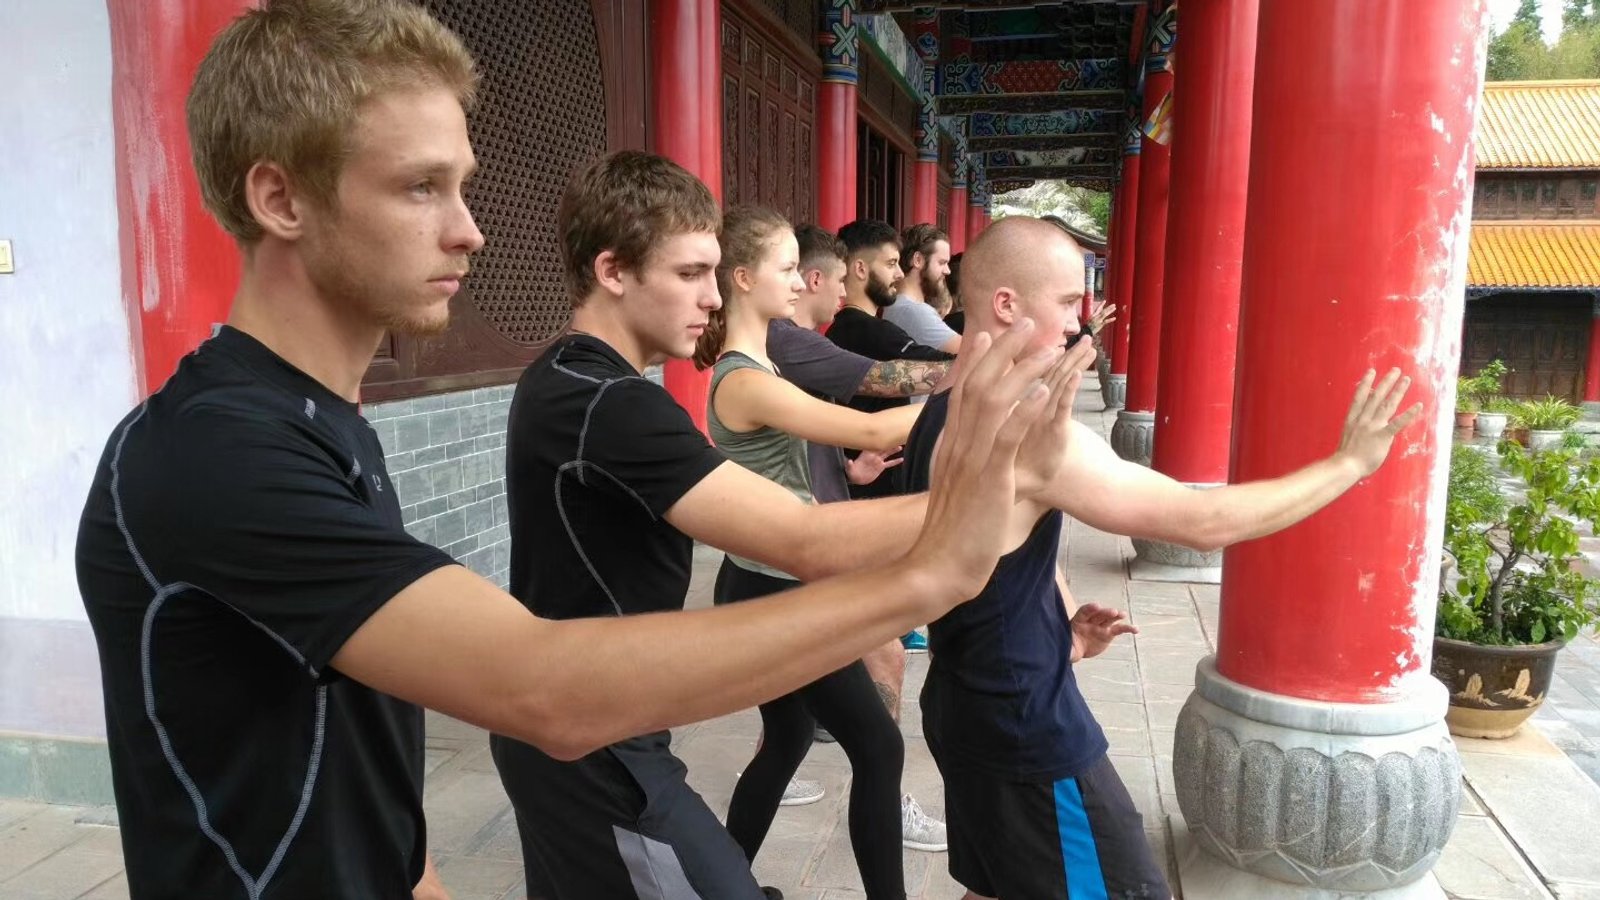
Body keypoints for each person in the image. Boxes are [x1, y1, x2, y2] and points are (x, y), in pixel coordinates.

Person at [70, 2, 1081, 895]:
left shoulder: (322, 423)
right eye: (422, 188)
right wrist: (936, 569)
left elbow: (346, 737)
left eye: (464, 187)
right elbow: (540, 687)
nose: (469, 231)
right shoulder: (216, 455)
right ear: (280, 200)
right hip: (593, 754)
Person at [490, 152, 1087, 900]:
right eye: (689, 274)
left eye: (714, 273)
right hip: (592, 742)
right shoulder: (608, 401)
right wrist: (1014, 492)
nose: (711, 297)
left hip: (588, 728)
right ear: (613, 272)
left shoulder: (570, 381)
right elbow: (803, 538)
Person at [899, 216, 1424, 900]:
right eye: (1065, 303)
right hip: (1025, 726)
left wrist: (1058, 637)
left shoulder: (940, 406)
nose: (1075, 324)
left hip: (963, 702)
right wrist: (1349, 464)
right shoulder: (1028, 427)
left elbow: (985, 564)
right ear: (1006, 305)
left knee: (998, 885)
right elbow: (1200, 522)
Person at [694, 205, 939, 895]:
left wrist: (845, 469)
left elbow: (801, 455)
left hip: (774, 581)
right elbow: (877, 423)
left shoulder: (765, 363)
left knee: (790, 743)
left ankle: (726, 881)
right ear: (743, 278)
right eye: (783, 269)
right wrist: (968, 395)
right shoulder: (745, 377)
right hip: (777, 590)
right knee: (879, 745)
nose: (799, 283)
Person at [766, 224, 949, 841]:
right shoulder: (783, 342)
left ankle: (775, 775)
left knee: (787, 695)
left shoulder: (787, 345)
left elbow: (789, 442)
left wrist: (845, 467)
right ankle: (887, 802)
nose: (845, 287)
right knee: (886, 655)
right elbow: (890, 383)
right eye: (787, 270)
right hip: (807, 540)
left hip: (806, 532)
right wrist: (980, 370)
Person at [883, 223, 960, 353]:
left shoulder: (896, 306)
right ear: (918, 260)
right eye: (942, 263)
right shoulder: (913, 311)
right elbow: (973, 353)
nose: (948, 271)